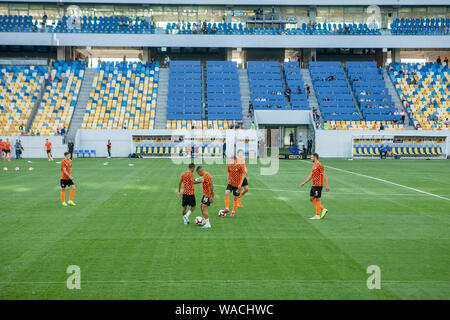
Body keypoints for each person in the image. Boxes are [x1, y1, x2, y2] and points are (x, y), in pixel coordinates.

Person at [300, 153, 330, 220]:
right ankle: (323, 209)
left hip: (318, 185)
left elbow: (324, 175)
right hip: (314, 185)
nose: (311, 158)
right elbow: (311, 176)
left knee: (317, 199)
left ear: (315, 157)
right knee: (311, 199)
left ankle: (317, 215)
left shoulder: (320, 165)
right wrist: (304, 182)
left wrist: (326, 185)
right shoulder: (313, 166)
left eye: (312, 157)